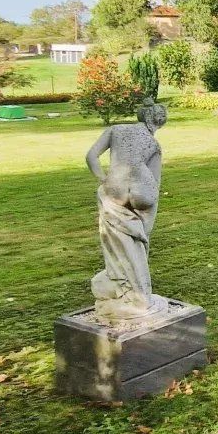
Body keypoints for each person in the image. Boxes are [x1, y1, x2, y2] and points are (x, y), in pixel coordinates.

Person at [85, 100, 167, 322]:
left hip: (115, 190)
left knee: (118, 239)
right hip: (143, 191)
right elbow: (156, 181)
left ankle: (126, 284)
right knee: (139, 240)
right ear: (157, 123)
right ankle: (140, 284)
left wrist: (104, 180)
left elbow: (91, 156)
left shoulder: (116, 130)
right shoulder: (153, 143)